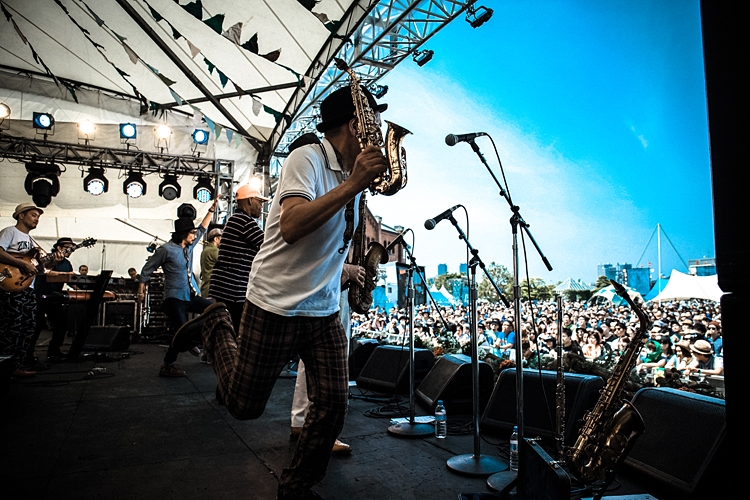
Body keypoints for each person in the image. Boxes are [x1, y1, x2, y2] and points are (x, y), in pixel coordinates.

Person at [170, 84, 389, 499]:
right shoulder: (306, 158)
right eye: (372, 124)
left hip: (323, 309)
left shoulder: (351, 176)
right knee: (244, 406)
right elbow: (291, 226)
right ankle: (216, 323)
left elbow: (330, 237)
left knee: (333, 405)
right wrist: (355, 183)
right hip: (275, 303)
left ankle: (296, 487)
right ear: (352, 125)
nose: (378, 133)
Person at [137, 198, 219, 377]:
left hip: (190, 295)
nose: (194, 236)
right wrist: (140, 292)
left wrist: (211, 210)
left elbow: (203, 228)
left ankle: (191, 343)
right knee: (182, 332)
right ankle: (170, 363)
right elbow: (147, 269)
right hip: (174, 298)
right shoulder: (166, 250)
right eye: (191, 233)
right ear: (183, 234)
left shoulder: (188, 246)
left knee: (215, 309)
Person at [0, 203, 62, 377]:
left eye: (38, 216)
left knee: (27, 328)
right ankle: (4, 367)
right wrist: (22, 263)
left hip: (27, 288)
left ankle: (15, 366)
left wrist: (53, 262)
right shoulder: (10, 232)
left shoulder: (32, 242)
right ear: (21, 215)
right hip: (9, 286)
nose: (37, 219)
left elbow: (40, 269)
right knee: (10, 327)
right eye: (34, 215)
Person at [207, 185, 267, 330]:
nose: (261, 207)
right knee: (236, 329)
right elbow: (269, 244)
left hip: (226, 288)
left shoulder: (235, 219)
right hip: (232, 290)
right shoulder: (244, 221)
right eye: (260, 202)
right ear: (250, 201)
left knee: (228, 328)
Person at [32, 237, 76, 360]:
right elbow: (45, 272)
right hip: (39, 296)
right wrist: (66, 274)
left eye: (72, 249)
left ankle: (54, 351)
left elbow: (70, 280)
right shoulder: (47, 258)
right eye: (67, 248)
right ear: (59, 247)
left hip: (55, 298)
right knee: (37, 325)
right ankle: (27, 353)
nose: (70, 251)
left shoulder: (67, 264)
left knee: (61, 323)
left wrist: (84, 285)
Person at [200, 227, 222, 297]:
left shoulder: (205, 250)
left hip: (205, 288)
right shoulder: (214, 251)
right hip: (213, 289)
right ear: (216, 239)